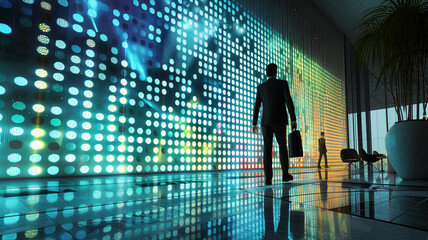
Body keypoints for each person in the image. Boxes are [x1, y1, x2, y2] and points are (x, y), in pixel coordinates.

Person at [252, 63, 297, 185]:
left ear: (266, 73)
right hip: (280, 120)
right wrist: (293, 119)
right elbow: (289, 101)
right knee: (283, 147)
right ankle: (285, 175)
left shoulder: (261, 87)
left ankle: (268, 178)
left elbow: (257, 106)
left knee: (267, 149)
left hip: (265, 122)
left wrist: (254, 123)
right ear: (276, 72)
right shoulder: (283, 84)